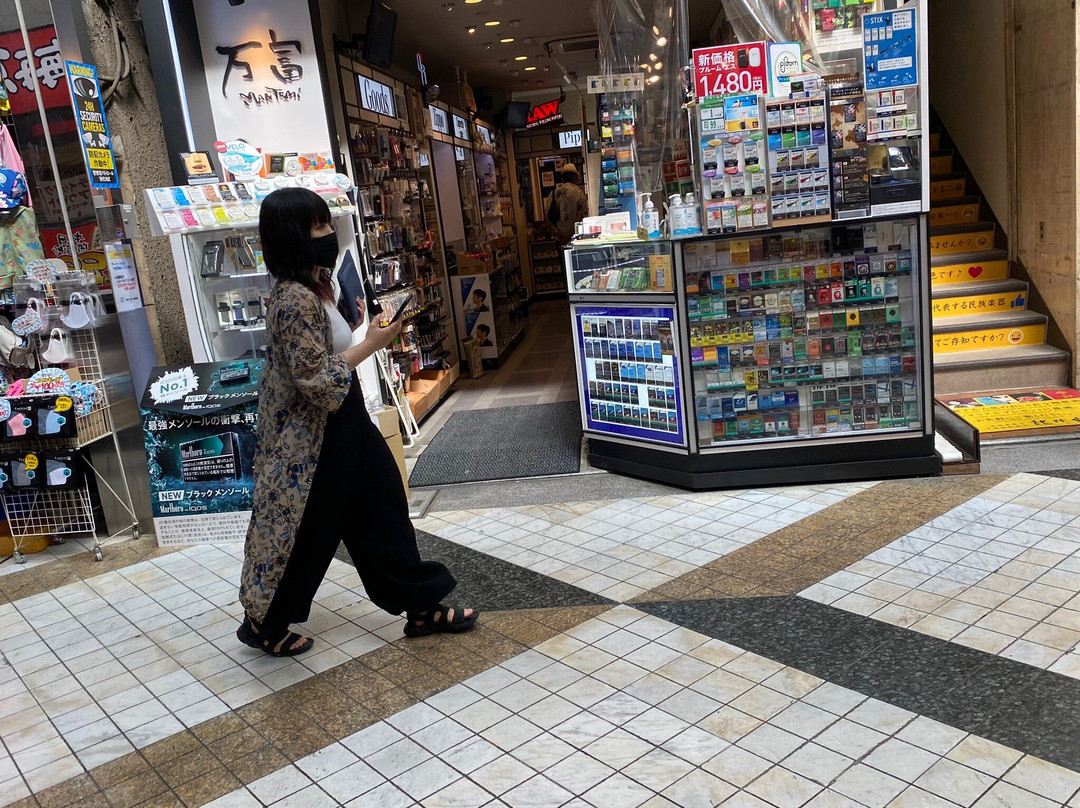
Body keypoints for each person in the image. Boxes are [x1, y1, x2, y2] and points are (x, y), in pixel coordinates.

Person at [238, 187, 477, 656]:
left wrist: (366, 333)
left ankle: (421, 604)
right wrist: (375, 343)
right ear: (295, 236)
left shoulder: (314, 284)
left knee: (381, 504)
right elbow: (314, 379)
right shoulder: (292, 300)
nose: (329, 234)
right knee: (307, 527)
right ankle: (263, 622)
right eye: (320, 227)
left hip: (340, 421)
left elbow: (329, 356)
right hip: (311, 438)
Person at [548, 163, 588, 244]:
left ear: (563, 178)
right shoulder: (579, 193)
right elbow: (580, 217)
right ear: (575, 177)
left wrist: (557, 233)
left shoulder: (553, 193)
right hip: (575, 238)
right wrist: (569, 236)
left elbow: (546, 217)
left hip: (559, 239)